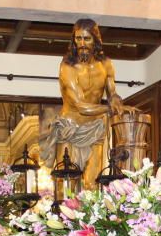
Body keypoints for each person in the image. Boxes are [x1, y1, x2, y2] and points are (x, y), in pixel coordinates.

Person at [38, 19, 138, 188]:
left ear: (96, 40)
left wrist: (117, 102)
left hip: (95, 128)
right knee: (66, 184)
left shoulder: (106, 64)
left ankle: (92, 214)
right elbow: (80, 106)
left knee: (93, 184)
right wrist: (109, 109)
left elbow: (112, 93)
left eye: (87, 39)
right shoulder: (67, 67)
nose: (82, 44)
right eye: (78, 39)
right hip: (69, 129)